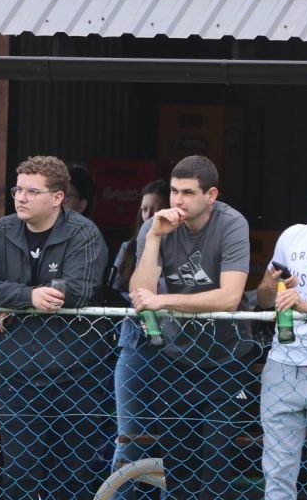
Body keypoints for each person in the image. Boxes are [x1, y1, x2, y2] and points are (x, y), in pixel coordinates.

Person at [0, 155, 112, 500]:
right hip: (17, 378)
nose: (21, 197)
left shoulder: (83, 232)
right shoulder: (1, 231)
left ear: (58, 197)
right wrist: (27, 296)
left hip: (78, 377)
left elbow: (79, 288)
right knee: (19, 477)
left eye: (32, 191)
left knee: (73, 479)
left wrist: (11, 301)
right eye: (18, 189)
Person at [130, 155, 256, 499]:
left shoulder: (232, 224)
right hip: (176, 357)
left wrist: (163, 302)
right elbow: (141, 294)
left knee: (216, 459)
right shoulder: (155, 227)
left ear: (211, 195)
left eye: (187, 192)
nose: (178, 200)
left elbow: (229, 297)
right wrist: (154, 237)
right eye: (174, 191)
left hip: (227, 358)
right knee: (177, 464)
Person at [256, 181, 307, 498]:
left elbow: (306, 305)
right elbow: (263, 299)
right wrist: (272, 285)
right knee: (277, 481)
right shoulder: (293, 235)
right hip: (282, 364)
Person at [109, 179, 170, 499]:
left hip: (176, 350)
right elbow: (116, 293)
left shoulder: (184, 247)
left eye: (156, 209)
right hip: (135, 344)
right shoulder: (129, 247)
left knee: (175, 444)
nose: (149, 215)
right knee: (130, 440)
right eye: (144, 209)